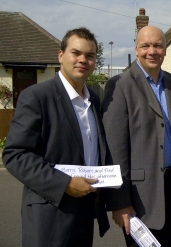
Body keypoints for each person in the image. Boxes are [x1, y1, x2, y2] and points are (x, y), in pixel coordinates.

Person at [2, 27, 112, 247]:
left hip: (85, 212)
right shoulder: (37, 96)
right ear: (61, 55)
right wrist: (65, 184)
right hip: (50, 214)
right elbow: (15, 154)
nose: (83, 60)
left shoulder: (95, 102)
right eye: (76, 53)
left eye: (90, 56)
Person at [102, 26, 171, 247]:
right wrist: (119, 201)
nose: (152, 51)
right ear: (136, 49)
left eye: (158, 45)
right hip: (140, 194)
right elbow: (114, 148)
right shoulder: (120, 85)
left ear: (165, 50)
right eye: (146, 46)